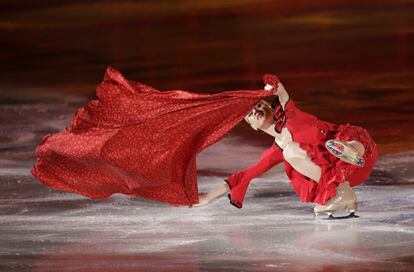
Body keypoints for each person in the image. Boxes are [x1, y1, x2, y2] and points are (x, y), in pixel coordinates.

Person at [193, 75, 378, 219]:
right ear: (253, 127)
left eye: (258, 106)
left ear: (269, 107)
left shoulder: (290, 115)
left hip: (361, 152)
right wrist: (208, 197)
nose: (256, 111)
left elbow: (282, 95)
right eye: (250, 115)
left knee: (348, 140)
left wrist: (275, 85)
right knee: (290, 152)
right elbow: (244, 176)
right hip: (346, 175)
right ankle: (342, 189)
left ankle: (350, 152)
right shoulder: (276, 151)